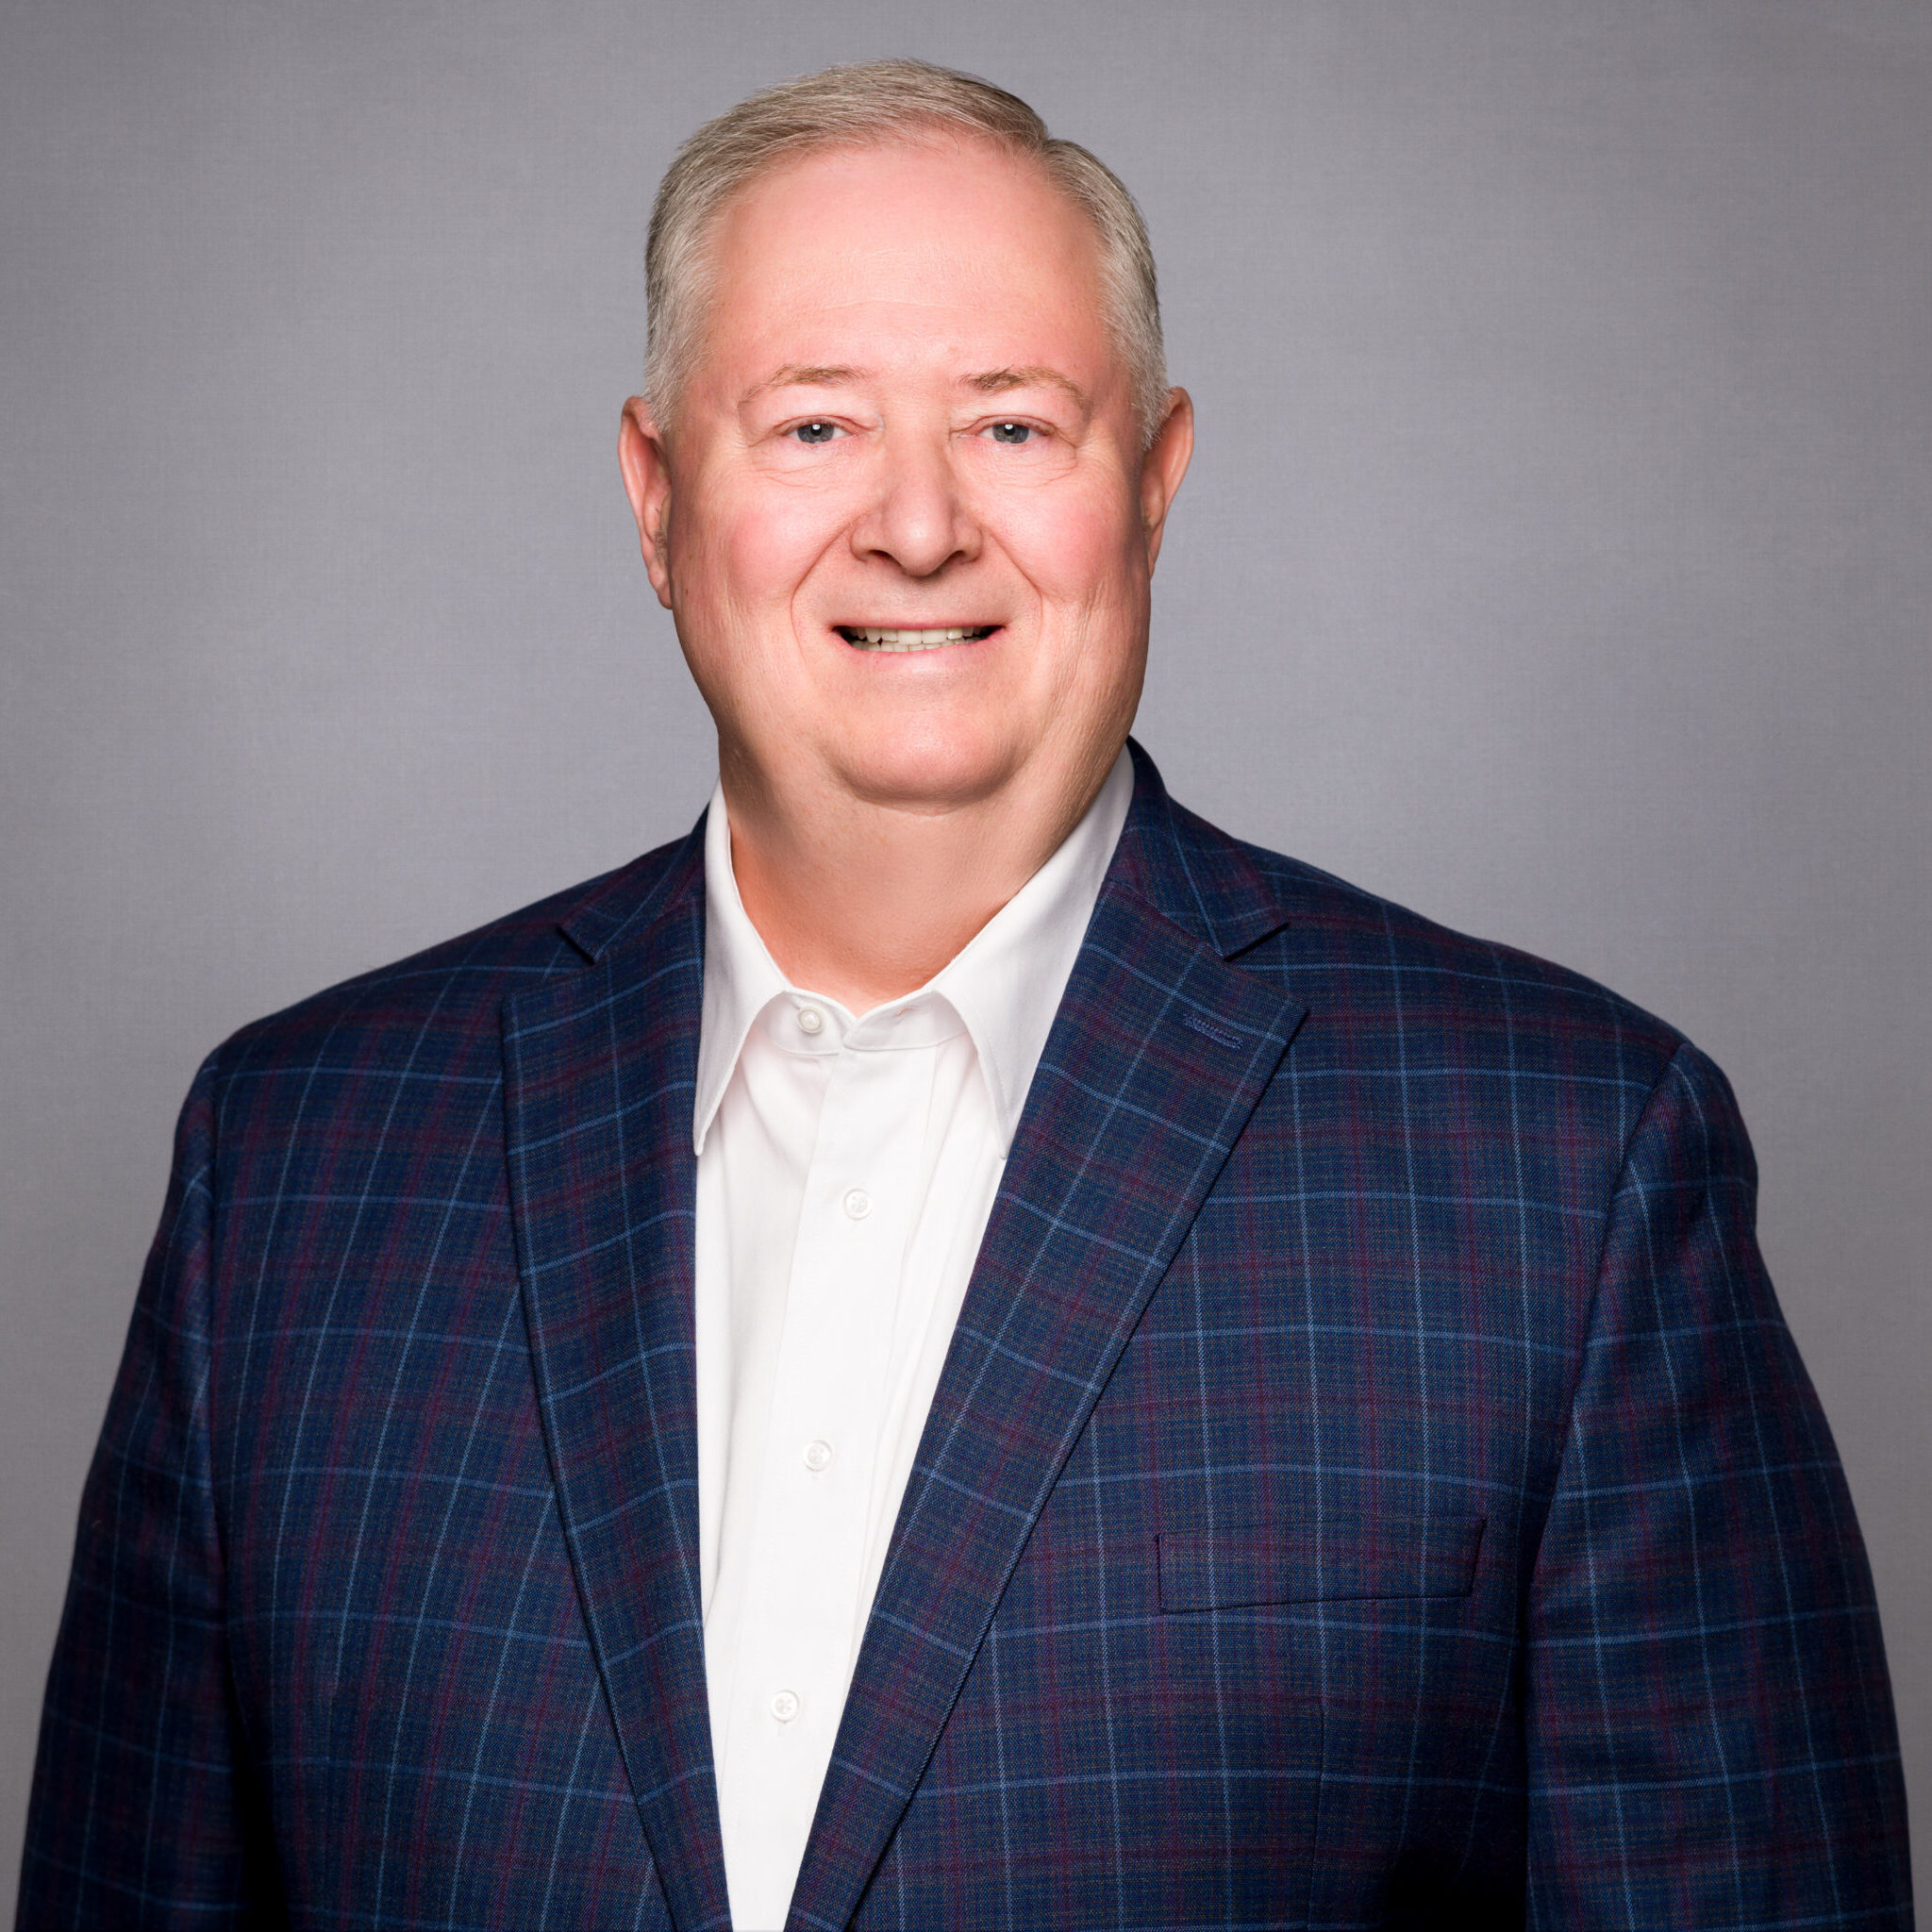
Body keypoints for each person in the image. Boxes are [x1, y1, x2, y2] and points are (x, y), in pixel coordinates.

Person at [18, 58, 1911, 1932]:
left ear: (1153, 484)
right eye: (814, 426)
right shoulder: (291, 1170)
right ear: (658, 496)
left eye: (1012, 426)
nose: (916, 525)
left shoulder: (1558, 1175)